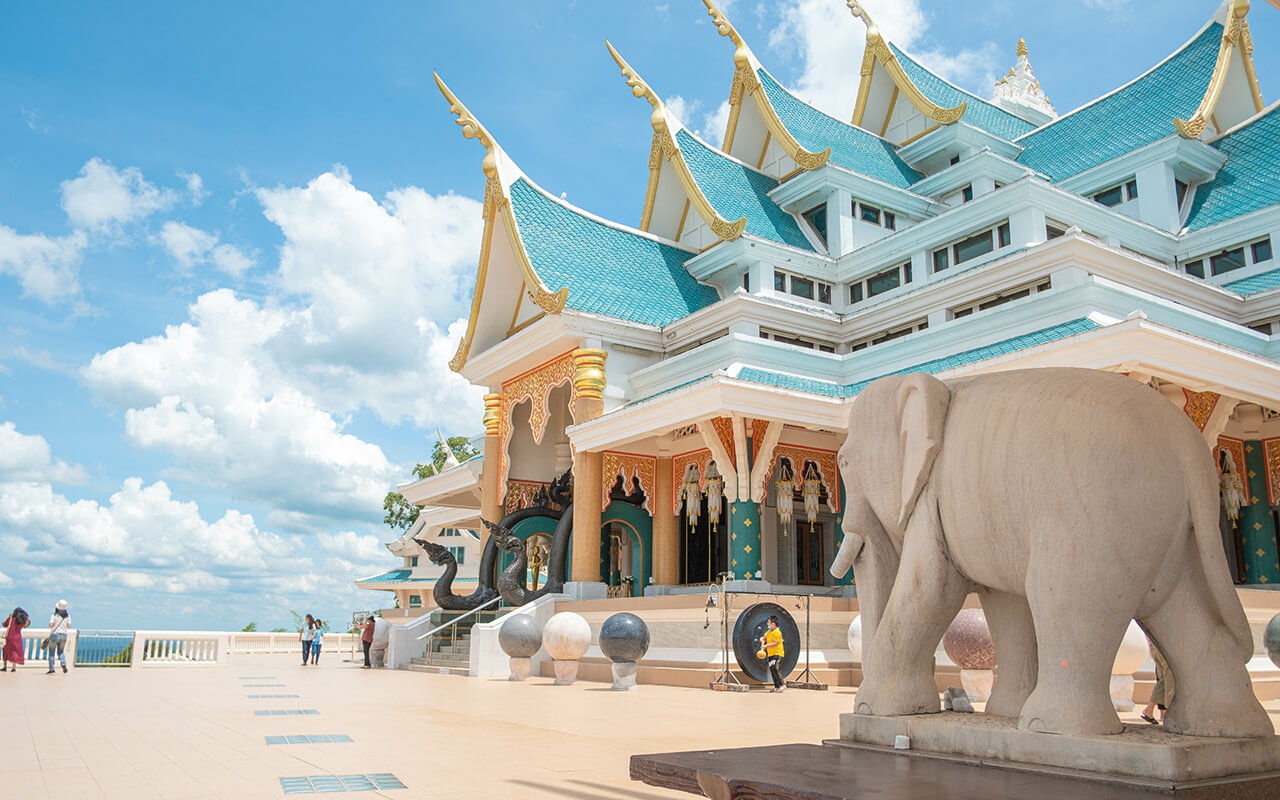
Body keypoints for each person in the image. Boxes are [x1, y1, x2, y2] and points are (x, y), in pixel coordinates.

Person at [1142, 638, 1174, 725]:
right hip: (1164, 650)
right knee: (1170, 683)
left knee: (1162, 681)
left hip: (1154, 649)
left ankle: (1149, 709)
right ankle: (1171, 715)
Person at [762, 615, 786, 693]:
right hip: (770, 654)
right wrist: (762, 639)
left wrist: (766, 645)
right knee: (772, 669)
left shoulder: (777, 632)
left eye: (768, 622)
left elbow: (776, 643)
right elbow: (764, 638)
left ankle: (782, 684)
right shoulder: (769, 631)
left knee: (775, 667)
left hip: (777, 653)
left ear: (773, 624)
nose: (767, 624)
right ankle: (777, 687)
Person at [3, 607, 29, 672]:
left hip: (9, 637)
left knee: (6, 651)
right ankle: (13, 667)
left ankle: (5, 666)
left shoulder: (11, 619)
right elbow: (26, 625)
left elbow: (4, 624)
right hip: (17, 638)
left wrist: (9, 617)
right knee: (15, 652)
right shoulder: (21, 621)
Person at [47, 600, 70, 674]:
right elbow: (69, 626)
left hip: (55, 634)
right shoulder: (67, 616)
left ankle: (51, 669)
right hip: (64, 635)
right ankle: (63, 663)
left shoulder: (54, 615)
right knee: (61, 652)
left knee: (51, 652)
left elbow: (50, 625)